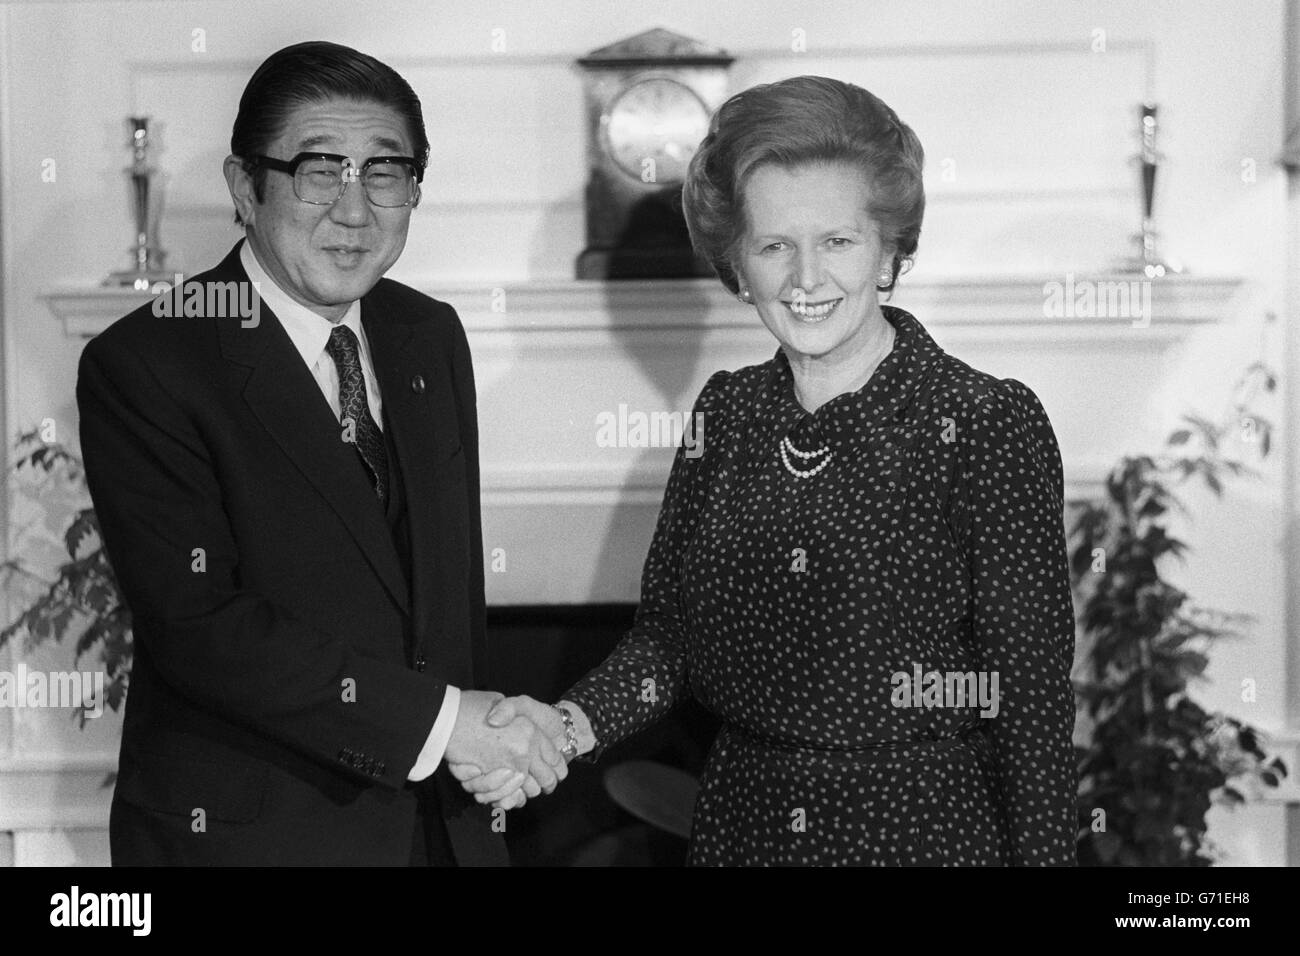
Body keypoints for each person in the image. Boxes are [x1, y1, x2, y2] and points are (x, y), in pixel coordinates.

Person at [455, 75, 1078, 866]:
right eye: (776, 245)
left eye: (839, 241)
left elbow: (1032, 704)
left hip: (922, 833)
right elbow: (668, 643)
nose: (806, 278)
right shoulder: (728, 413)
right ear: (739, 265)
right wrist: (565, 729)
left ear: (891, 251)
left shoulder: (984, 423)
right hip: (740, 825)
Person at [76, 40, 565, 866]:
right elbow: (201, 627)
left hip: (442, 832)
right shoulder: (152, 362)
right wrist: (449, 725)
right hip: (250, 841)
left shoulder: (426, 335)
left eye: (384, 172)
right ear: (245, 186)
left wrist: (486, 756)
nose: (354, 209)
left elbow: (448, 594)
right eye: (318, 170)